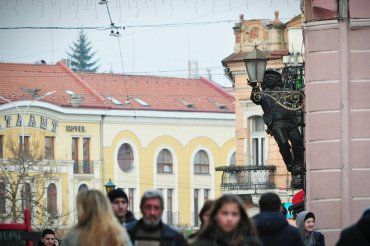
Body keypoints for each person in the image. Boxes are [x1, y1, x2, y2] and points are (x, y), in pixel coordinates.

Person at [250, 69, 304, 183]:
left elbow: (298, 99)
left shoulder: (286, 91)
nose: (269, 80)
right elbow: (256, 98)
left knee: (298, 141)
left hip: (291, 121)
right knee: (283, 144)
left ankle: (299, 163)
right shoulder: (264, 94)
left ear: (277, 80)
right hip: (276, 124)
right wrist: (254, 87)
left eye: (271, 78)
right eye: (266, 78)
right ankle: (290, 165)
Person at [62, 189, 132, 246]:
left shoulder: (72, 237)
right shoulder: (118, 233)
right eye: (116, 202)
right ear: (107, 206)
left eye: (123, 202)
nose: (121, 206)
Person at [191, 194, 261, 246]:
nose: (229, 219)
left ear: (241, 217)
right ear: (215, 215)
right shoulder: (200, 243)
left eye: (234, 214)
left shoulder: (251, 243)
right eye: (224, 213)